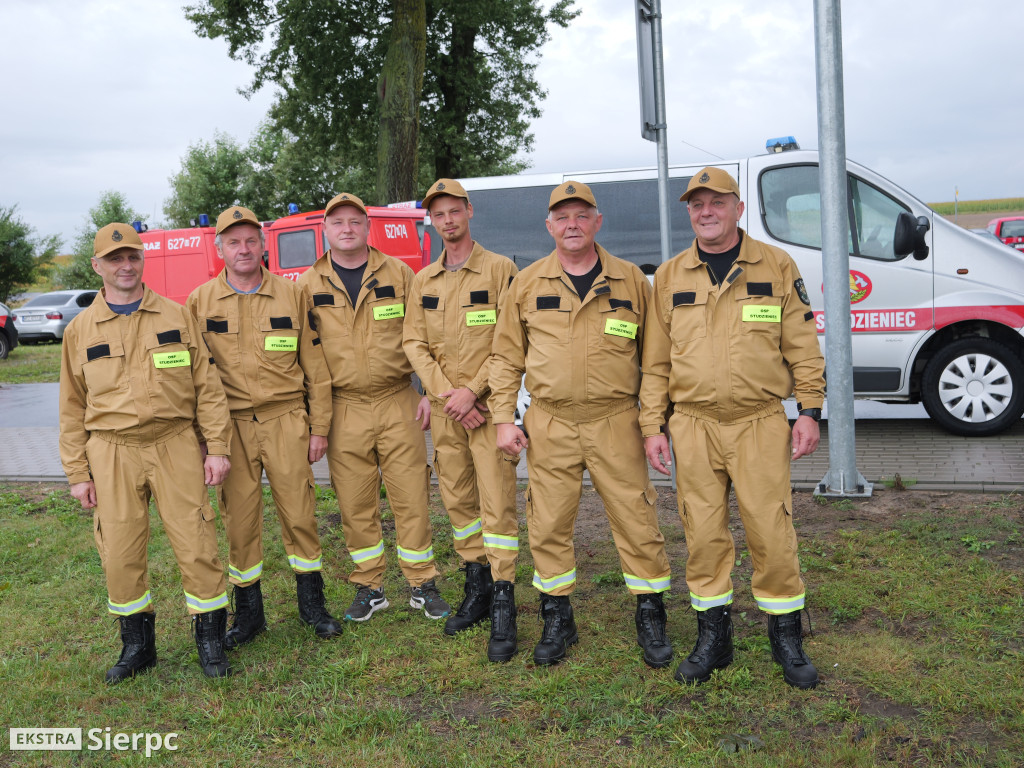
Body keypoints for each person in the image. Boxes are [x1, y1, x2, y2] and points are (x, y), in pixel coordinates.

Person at [640, 167, 826, 690]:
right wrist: (653, 425)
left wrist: (809, 410)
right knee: (702, 534)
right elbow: (655, 361)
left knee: (771, 531)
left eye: (717, 202)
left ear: (738, 208)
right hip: (693, 425)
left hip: (758, 422)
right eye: (697, 204)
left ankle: (785, 636)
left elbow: (802, 344)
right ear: (689, 213)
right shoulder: (670, 276)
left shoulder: (776, 265)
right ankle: (713, 638)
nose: (707, 212)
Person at [490, 181, 674, 667]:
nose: (571, 225)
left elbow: (655, 362)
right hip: (550, 422)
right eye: (562, 217)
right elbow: (505, 358)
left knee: (637, 518)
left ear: (597, 221)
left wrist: (653, 426)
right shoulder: (526, 283)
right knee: (548, 522)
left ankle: (650, 613)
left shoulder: (632, 281)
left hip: (617, 420)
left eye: (581, 215)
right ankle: (557, 616)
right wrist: (504, 419)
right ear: (549, 226)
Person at [59, 223, 233, 682]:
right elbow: (71, 407)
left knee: (197, 542)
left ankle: (210, 640)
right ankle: (137, 646)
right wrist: (78, 472)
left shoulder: (176, 316)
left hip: (174, 442)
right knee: (119, 550)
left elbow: (207, 388)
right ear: (97, 266)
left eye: (132, 256)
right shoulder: (79, 331)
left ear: (142, 260)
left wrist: (217, 447)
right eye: (114, 259)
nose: (125, 266)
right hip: (111, 451)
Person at [186, 206, 343, 649]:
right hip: (230, 425)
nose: (243, 249)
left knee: (300, 513)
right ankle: (249, 615)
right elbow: (193, 378)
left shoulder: (292, 295)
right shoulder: (199, 302)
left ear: (263, 245)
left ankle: (312, 606)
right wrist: (204, 438)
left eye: (250, 240)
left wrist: (319, 427)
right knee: (239, 521)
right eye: (233, 242)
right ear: (219, 249)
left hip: (285, 419)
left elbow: (316, 367)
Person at [297, 192, 449, 622]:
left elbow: (424, 336)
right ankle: (370, 586)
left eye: (355, 221)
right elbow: (305, 356)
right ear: (325, 230)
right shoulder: (307, 285)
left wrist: (427, 391)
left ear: (368, 227)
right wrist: (316, 420)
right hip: (343, 406)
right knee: (355, 501)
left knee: (411, 494)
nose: (347, 229)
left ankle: (422, 583)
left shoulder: (399, 274)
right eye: (337, 222)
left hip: (397, 399)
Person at [404, 179, 520, 661]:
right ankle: (477, 587)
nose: (447, 220)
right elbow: (414, 343)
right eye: (439, 214)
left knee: (497, 502)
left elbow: (510, 342)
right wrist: (448, 396)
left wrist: (472, 392)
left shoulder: (500, 270)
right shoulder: (424, 280)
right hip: (448, 412)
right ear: (431, 221)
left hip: (487, 411)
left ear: (469, 211)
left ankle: (503, 600)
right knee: (458, 500)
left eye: (455, 211)